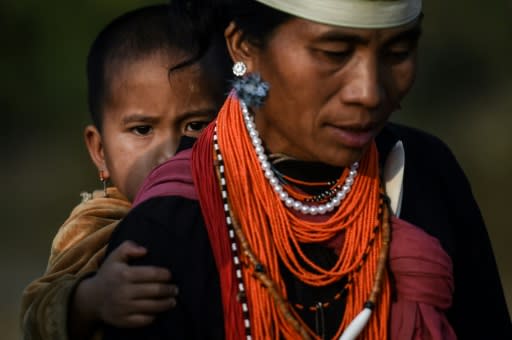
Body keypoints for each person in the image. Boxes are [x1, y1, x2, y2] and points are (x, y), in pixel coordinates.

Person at [104, 0, 512, 339]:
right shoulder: (173, 222)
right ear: (243, 46)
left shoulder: (427, 172)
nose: (369, 92)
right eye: (334, 54)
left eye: (397, 53)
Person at [20, 4, 230, 340]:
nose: (168, 152)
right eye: (143, 129)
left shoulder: (243, 201)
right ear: (100, 152)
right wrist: (92, 299)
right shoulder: (96, 222)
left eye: (196, 126)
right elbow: (36, 310)